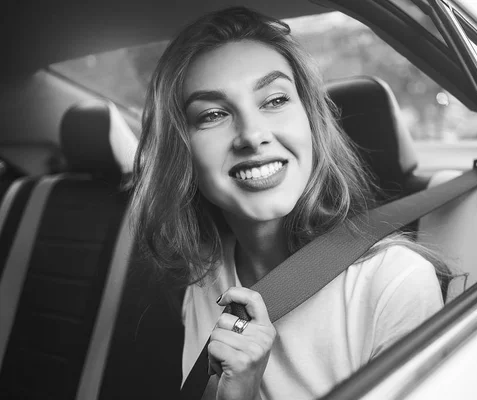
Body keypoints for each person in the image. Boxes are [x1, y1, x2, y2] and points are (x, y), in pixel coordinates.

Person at [130, 6, 447, 400]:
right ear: (182, 152)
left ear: (312, 122)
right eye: (213, 114)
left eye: (275, 100)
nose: (253, 134)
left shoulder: (394, 283)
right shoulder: (205, 276)